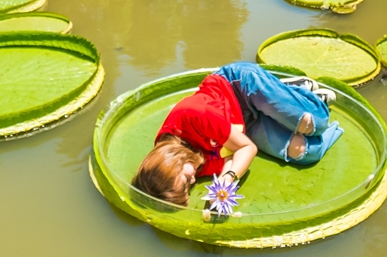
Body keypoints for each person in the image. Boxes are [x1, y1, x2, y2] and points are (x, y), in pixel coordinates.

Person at [131, 62, 344, 207]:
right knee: (305, 151)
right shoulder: (193, 163)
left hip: (238, 88)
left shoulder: (194, 115)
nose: (194, 179)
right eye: (190, 186)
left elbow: (247, 148)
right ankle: (283, 103)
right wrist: (221, 190)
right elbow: (231, 156)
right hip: (242, 126)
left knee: (313, 123)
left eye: (186, 180)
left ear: (173, 163)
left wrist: (229, 177)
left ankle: (300, 92)